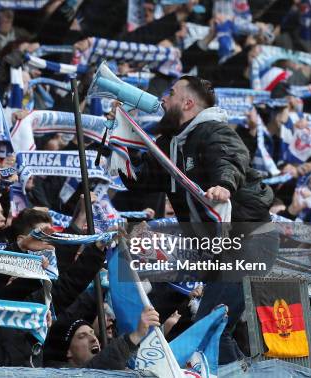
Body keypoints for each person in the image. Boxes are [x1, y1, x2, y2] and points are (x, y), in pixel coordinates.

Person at [118, 75, 280, 365]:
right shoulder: (170, 144)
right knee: (210, 328)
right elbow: (137, 181)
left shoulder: (212, 131)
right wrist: (117, 139)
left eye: (171, 93)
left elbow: (230, 159)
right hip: (218, 247)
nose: (163, 100)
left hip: (249, 239)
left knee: (210, 327)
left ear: (188, 102)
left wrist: (224, 186)